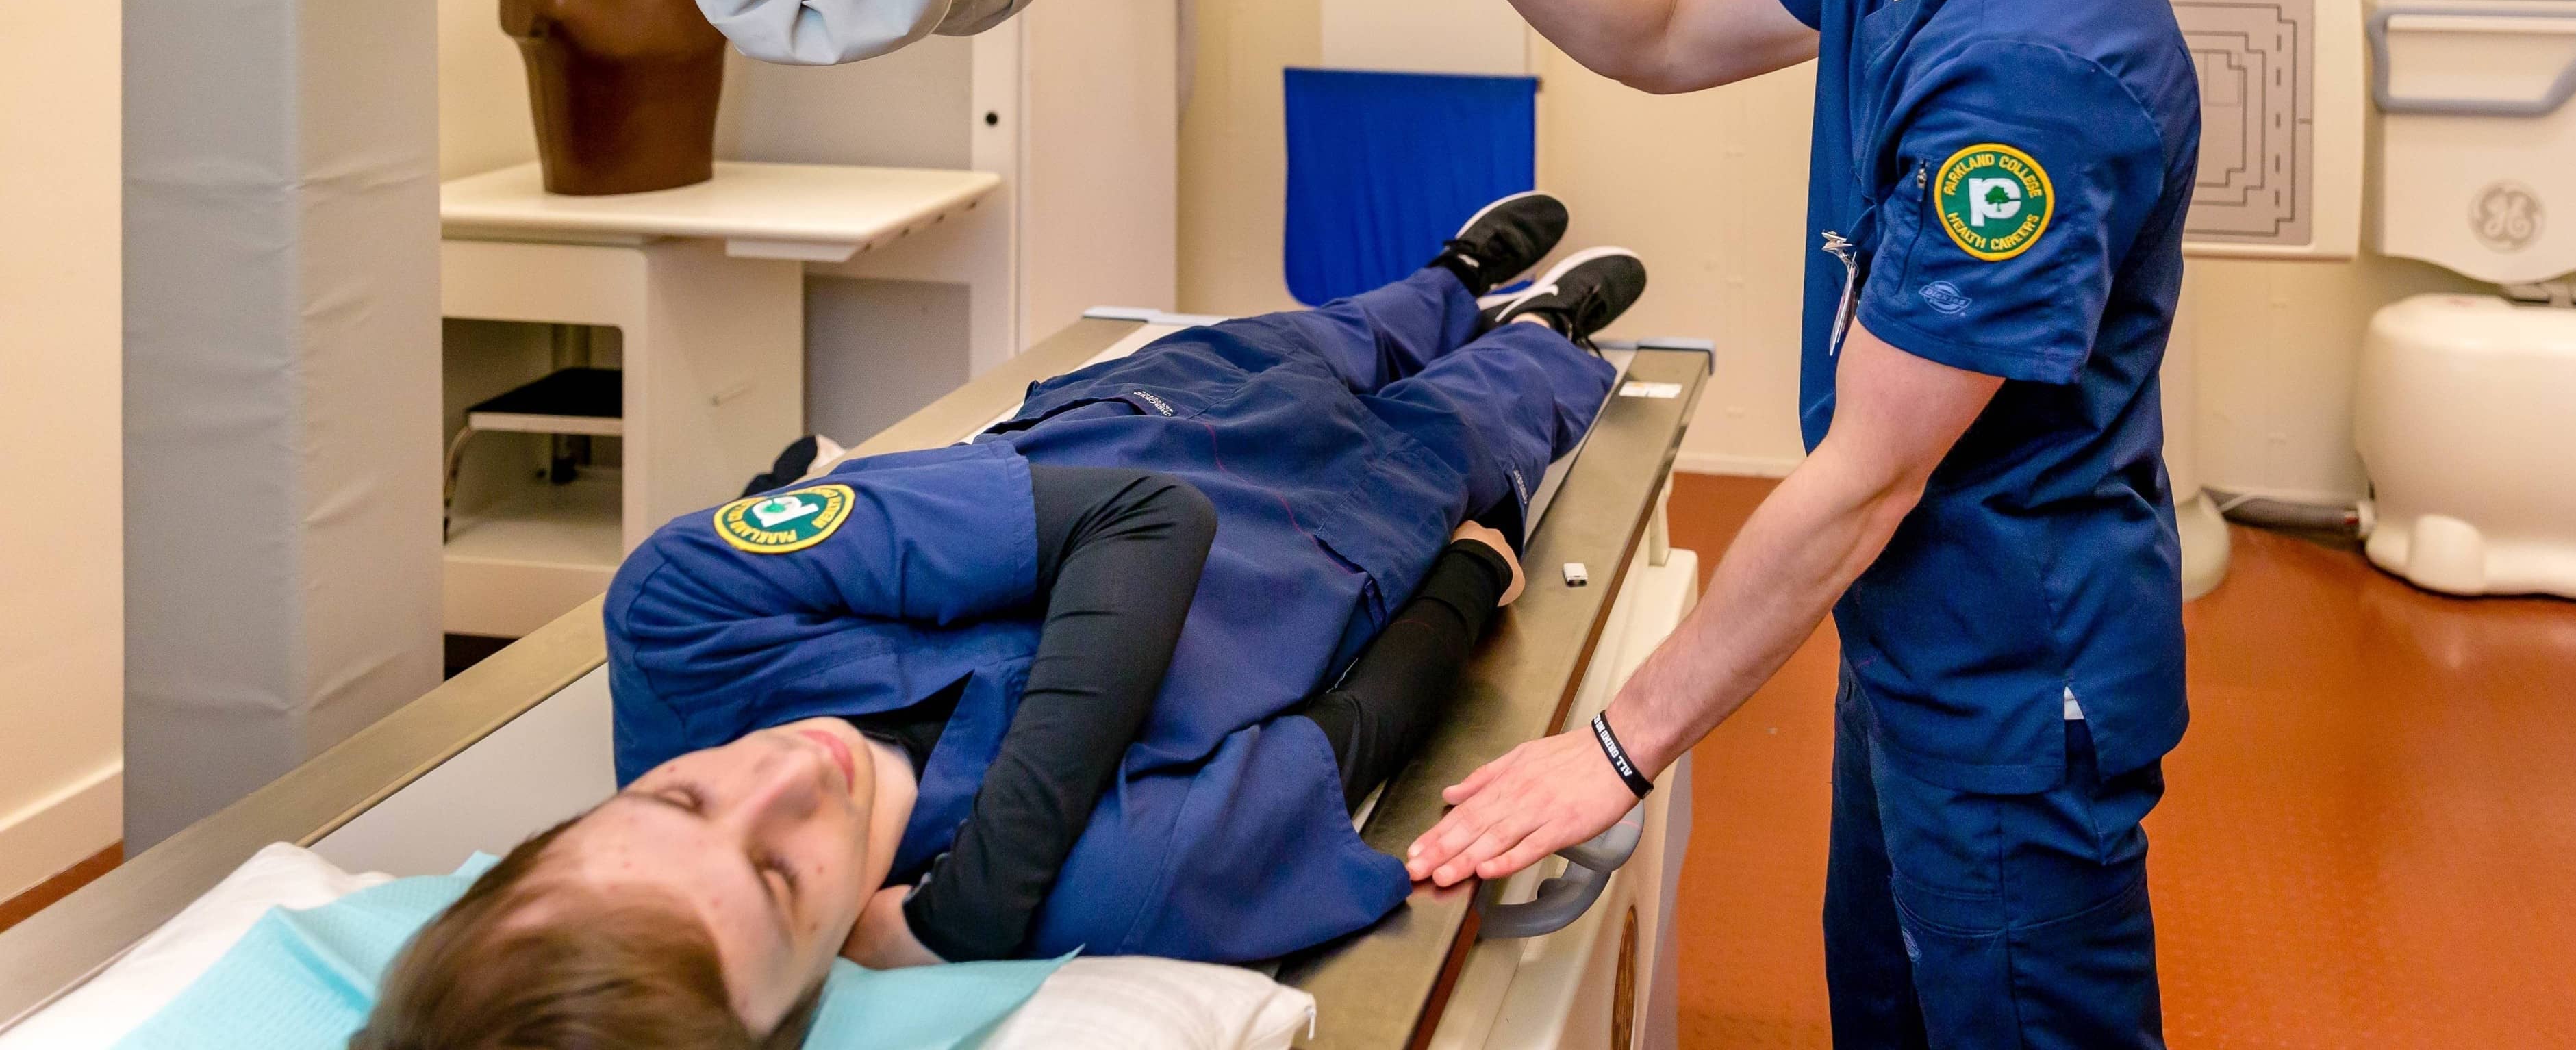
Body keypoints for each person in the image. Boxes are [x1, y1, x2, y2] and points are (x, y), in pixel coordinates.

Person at [1318, 0, 2201, 1049]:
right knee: (1887, 1000)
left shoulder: (2033, 55)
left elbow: (1866, 475)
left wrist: (1614, 744)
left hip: (2009, 674)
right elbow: (1660, 30)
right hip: (1913, 632)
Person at [351, 196, 1650, 1048]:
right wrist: (1471, 582)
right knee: (1506, 402)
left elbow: (1144, 518)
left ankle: (1457, 273)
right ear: (811, 995)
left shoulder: (683, 622)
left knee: (1349, 330)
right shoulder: (1120, 886)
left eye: (678, 804)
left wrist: (977, 898)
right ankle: (1542, 327)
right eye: (777, 876)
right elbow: (1356, 731)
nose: (787, 778)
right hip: (1342, 529)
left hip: (1139, 421)